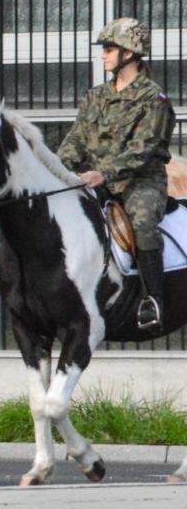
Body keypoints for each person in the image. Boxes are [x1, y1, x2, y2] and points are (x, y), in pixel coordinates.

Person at [57, 18, 177, 331]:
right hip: (95, 180)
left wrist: (104, 173)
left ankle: (153, 301)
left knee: (142, 222)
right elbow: (77, 139)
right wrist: (57, 171)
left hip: (140, 182)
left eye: (109, 49)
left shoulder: (154, 99)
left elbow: (145, 148)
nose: (103, 55)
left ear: (130, 53)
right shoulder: (95, 96)